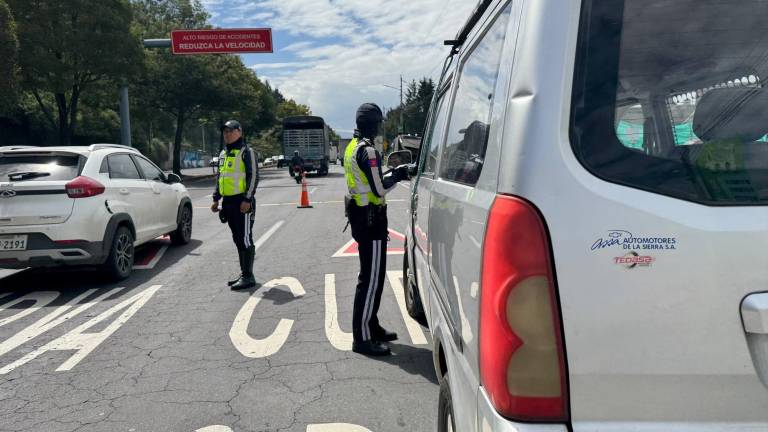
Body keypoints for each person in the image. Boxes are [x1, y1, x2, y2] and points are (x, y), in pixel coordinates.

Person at [344, 103, 410, 356]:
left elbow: (369, 180)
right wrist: (399, 174)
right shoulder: (368, 150)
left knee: (374, 277)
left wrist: (389, 173)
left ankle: (372, 325)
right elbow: (379, 189)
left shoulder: (353, 147)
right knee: (370, 280)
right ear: (375, 124)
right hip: (371, 220)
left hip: (362, 217)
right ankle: (362, 338)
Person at [210, 120, 260, 290]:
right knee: (237, 238)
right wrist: (216, 198)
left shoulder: (247, 151)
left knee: (245, 239)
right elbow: (221, 177)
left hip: (242, 202)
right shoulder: (224, 153)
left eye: (231, 131)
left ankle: (248, 276)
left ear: (239, 132)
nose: (227, 134)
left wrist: (247, 199)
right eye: (225, 132)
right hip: (228, 203)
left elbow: (253, 177)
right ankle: (243, 273)